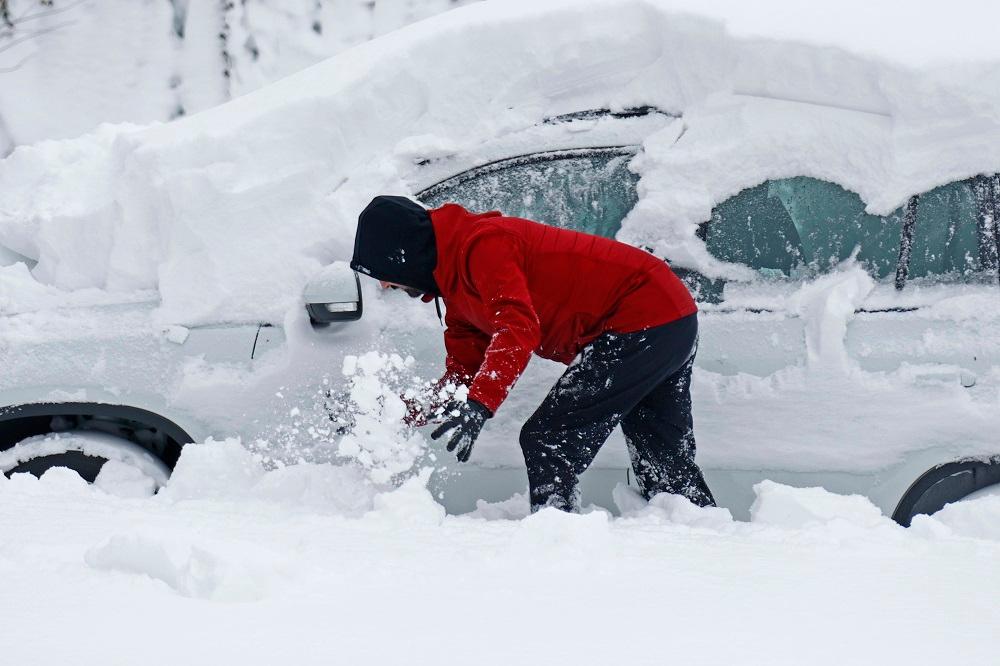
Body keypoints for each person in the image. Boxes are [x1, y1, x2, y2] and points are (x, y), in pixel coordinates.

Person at [350, 195, 715, 512]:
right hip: (664, 316)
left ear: (404, 254)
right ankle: (700, 539)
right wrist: (392, 413)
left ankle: (553, 545)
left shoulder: (484, 246)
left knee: (547, 439)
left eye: (383, 271)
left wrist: (482, 404)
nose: (384, 284)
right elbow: (462, 380)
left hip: (643, 314)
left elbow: (518, 327)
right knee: (663, 460)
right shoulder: (458, 293)